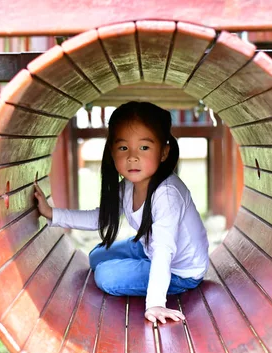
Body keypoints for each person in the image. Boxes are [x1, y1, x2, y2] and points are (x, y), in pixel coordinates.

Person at [34, 101, 209, 324]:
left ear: (164, 152)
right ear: (112, 151)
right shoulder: (128, 186)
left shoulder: (167, 195)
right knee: (96, 256)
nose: (132, 157)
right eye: (123, 148)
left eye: (144, 148)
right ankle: (130, 262)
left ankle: (149, 283)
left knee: (106, 275)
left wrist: (155, 303)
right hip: (148, 248)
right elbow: (101, 217)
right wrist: (52, 213)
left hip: (180, 269)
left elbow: (164, 250)